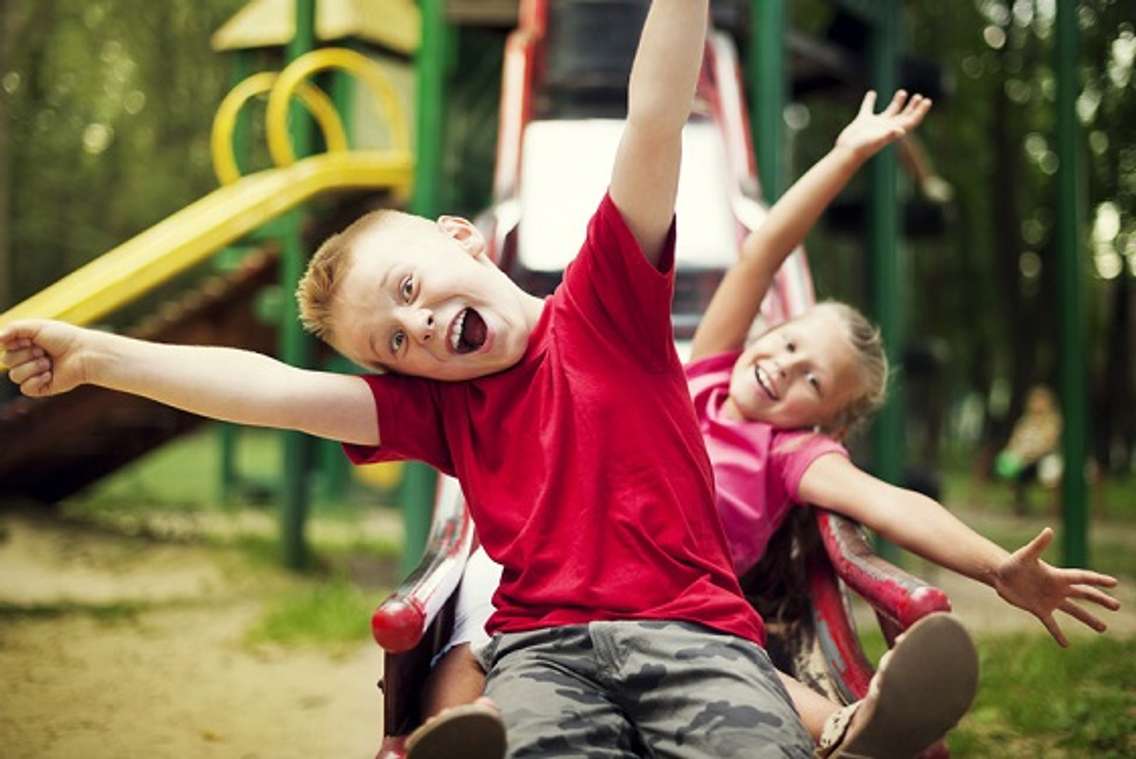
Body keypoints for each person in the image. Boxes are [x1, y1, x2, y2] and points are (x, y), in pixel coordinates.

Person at [3, 2, 815, 757]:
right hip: (546, 655)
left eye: (408, 288)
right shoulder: (441, 409)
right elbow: (266, 390)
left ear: (462, 238)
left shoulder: (608, 298)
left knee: (754, 745)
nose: (418, 323)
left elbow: (654, 117)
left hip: (694, 632)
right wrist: (99, 356)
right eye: (394, 339)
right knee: (536, 742)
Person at [400, 89, 1122, 759]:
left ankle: (851, 726)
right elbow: (767, 247)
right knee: (480, 611)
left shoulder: (794, 455)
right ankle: (453, 735)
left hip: (687, 604)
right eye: (789, 343)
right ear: (763, 332)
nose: (785, 366)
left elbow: (893, 504)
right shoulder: (706, 370)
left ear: (826, 420)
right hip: (559, 551)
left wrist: (996, 566)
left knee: (730, 651)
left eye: (813, 380)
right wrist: (846, 154)